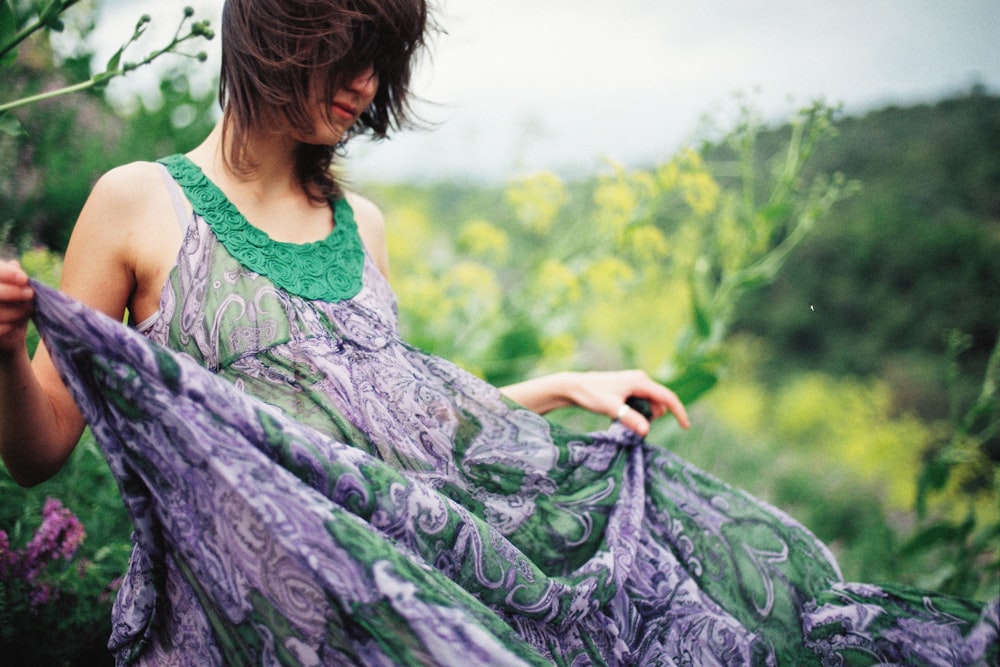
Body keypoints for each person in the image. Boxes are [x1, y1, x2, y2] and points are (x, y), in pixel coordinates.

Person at [0, 0, 996, 664]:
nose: (364, 87)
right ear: (278, 32)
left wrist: (557, 387)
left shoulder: (361, 227)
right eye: (352, 55)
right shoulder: (138, 203)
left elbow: (396, 441)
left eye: (380, 65)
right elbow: (42, 451)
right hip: (238, 626)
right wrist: (6, 349)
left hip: (383, 614)